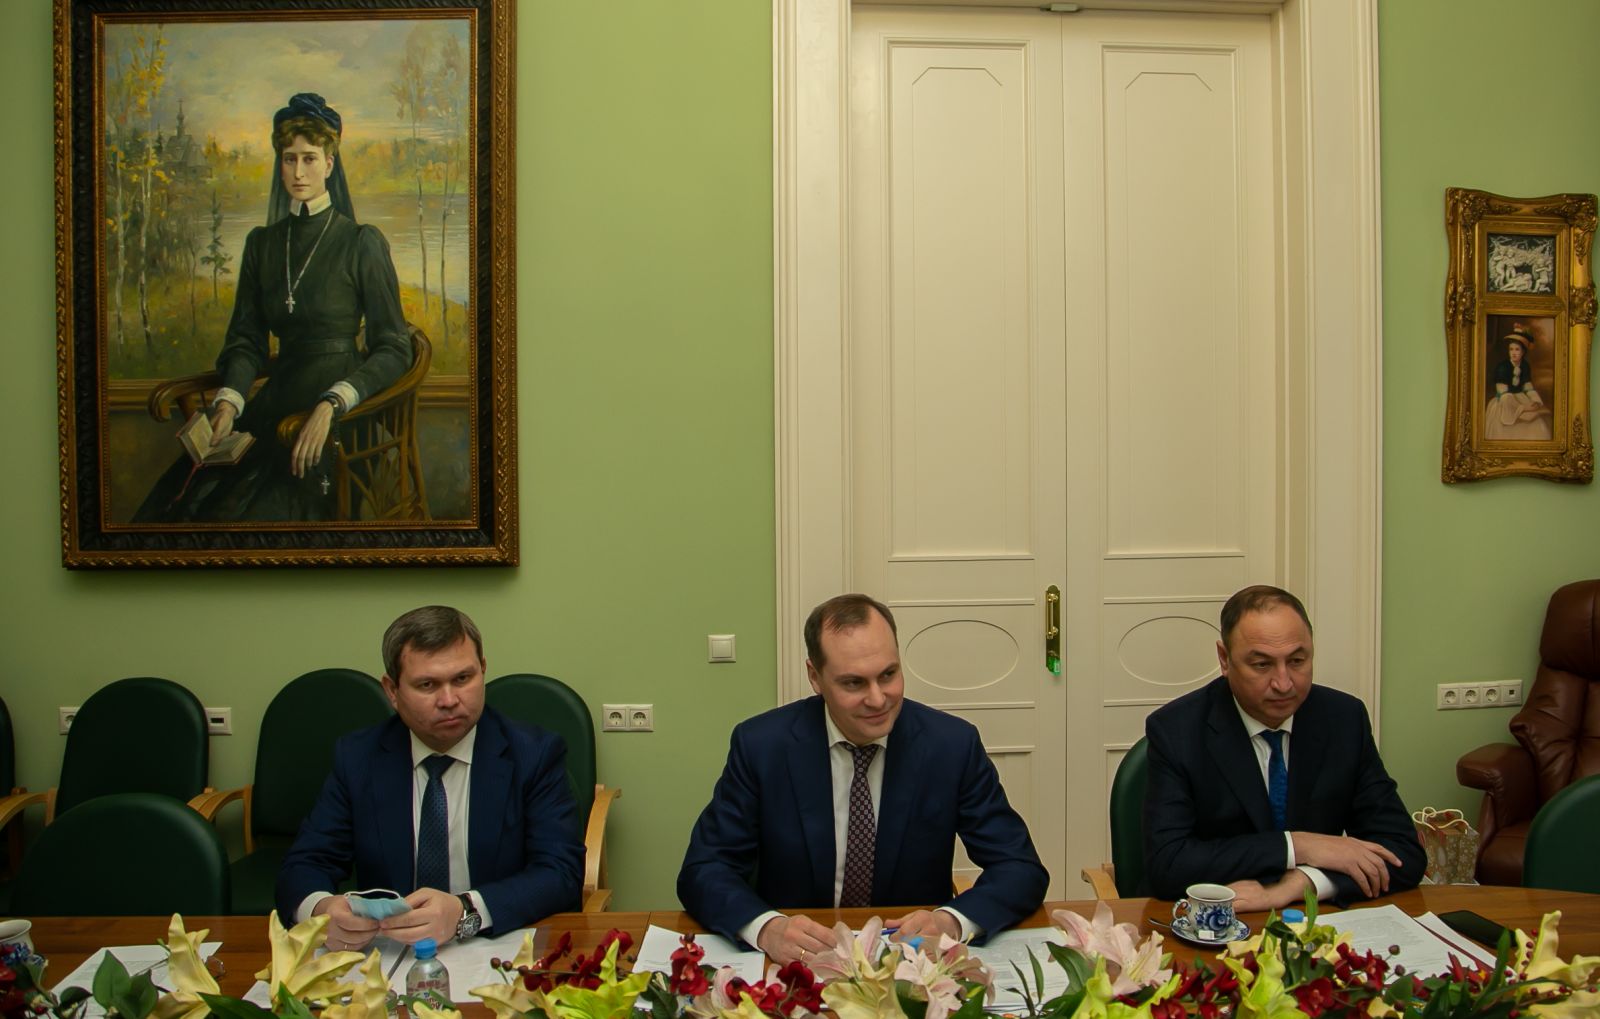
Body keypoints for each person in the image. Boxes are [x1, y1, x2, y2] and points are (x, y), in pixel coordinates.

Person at [677, 594, 1048, 962]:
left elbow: (1020, 868)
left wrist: (951, 921)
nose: (878, 699)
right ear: (815, 677)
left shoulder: (951, 746)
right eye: (854, 683)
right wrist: (767, 928)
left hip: (912, 964)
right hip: (798, 964)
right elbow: (705, 869)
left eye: (888, 675)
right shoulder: (762, 746)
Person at [135, 92, 413, 522]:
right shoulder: (262, 245)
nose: (298, 172)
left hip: (340, 410)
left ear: (329, 164)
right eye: (289, 159)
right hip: (275, 399)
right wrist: (229, 403)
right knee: (187, 506)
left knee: (260, 513)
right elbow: (246, 339)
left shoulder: (361, 242)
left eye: (309, 159)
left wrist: (332, 404)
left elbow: (394, 347)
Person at [277, 606, 584, 948]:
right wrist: (322, 911)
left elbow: (560, 873)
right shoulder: (359, 758)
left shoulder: (533, 754)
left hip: (495, 947)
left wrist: (465, 911)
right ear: (392, 690)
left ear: (482, 669)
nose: (449, 700)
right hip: (391, 953)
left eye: (463, 679)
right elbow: (306, 864)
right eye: (427, 684)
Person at [1142, 585, 1425, 911]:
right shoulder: (1176, 731)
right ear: (1224, 658)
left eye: (1297, 661)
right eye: (1262, 665)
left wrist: (1302, 883)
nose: (1284, 683)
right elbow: (1168, 864)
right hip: (1215, 919)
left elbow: (1403, 852)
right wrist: (1299, 846)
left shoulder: (1344, 720)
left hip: (1315, 920)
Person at [1483, 327, 1553, 441]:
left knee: (1537, 422)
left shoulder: (1525, 365)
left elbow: (1528, 387)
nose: (1514, 353)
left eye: (1517, 349)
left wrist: (1535, 401)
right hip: (1506, 402)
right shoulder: (1502, 367)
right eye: (1511, 349)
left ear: (1523, 352)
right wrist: (1523, 408)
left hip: (1521, 398)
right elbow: (1503, 393)